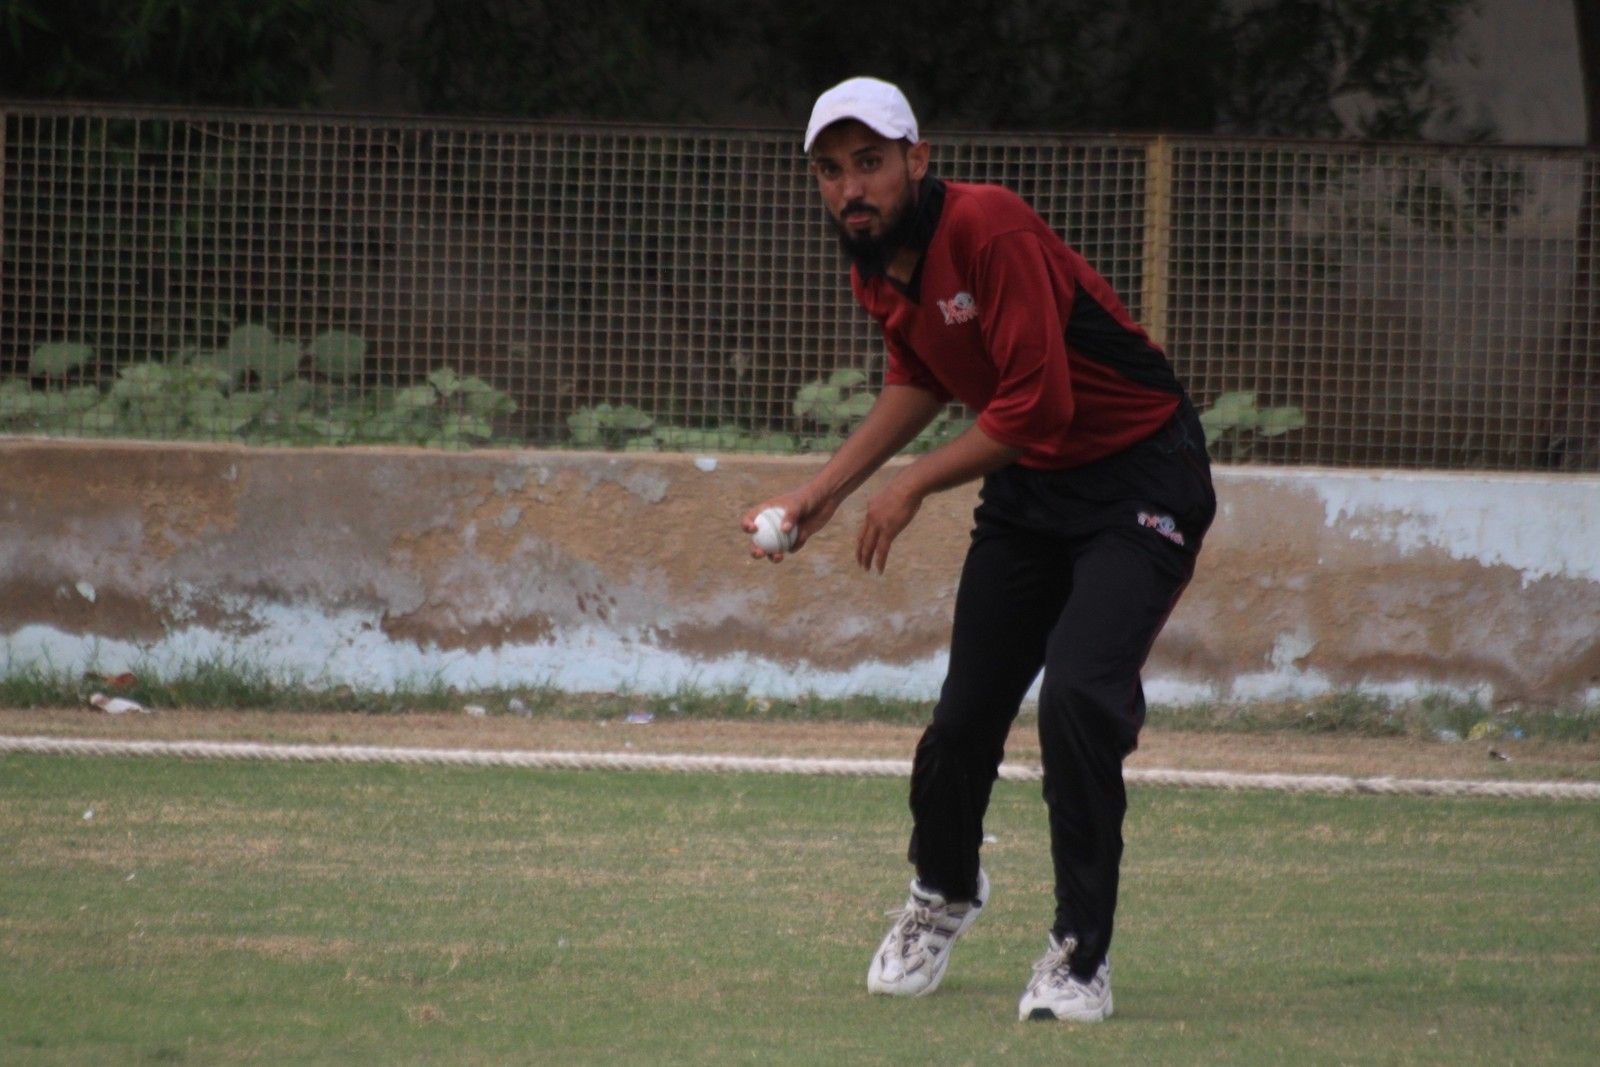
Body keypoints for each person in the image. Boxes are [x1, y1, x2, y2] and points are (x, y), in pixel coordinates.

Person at [741, 76, 1216, 1023]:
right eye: (830, 171)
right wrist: (820, 494)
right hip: (1033, 488)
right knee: (963, 720)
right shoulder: (877, 263)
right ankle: (944, 891)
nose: (851, 189)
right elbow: (921, 376)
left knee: (1078, 698)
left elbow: (1041, 405)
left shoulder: (988, 227)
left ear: (918, 158)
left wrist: (914, 484)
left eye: (869, 163)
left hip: (1140, 476)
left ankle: (1080, 957)